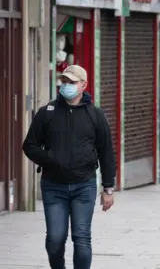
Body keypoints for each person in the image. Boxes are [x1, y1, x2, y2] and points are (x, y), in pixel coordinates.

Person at [22, 65, 116, 269]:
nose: (66, 86)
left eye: (71, 82)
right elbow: (29, 145)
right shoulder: (47, 113)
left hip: (84, 185)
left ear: (83, 85)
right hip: (53, 186)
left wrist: (108, 188)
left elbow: (106, 152)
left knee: (81, 239)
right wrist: (50, 158)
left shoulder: (96, 115)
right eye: (64, 81)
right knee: (55, 240)